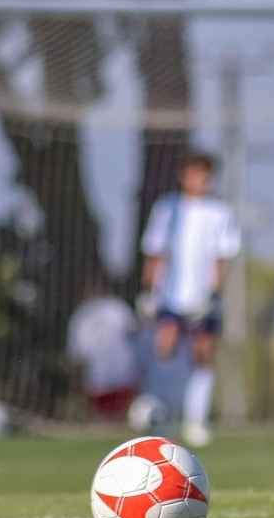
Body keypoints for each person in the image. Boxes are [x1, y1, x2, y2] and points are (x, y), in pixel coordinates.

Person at [140, 151, 241, 447]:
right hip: (170, 296)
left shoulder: (219, 212)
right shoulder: (166, 208)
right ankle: (160, 415)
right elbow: (155, 252)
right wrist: (148, 291)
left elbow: (223, 257)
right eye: (194, 173)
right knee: (165, 348)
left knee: (203, 354)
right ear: (183, 176)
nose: (200, 180)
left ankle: (196, 421)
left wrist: (213, 293)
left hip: (202, 298)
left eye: (205, 175)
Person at [66, 281, 139, 420]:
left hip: (122, 377)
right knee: (101, 422)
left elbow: (134, 337)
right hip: (96, 381)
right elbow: (77, 354)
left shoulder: (118, 307)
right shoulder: (82, 314)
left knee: (121, 421)